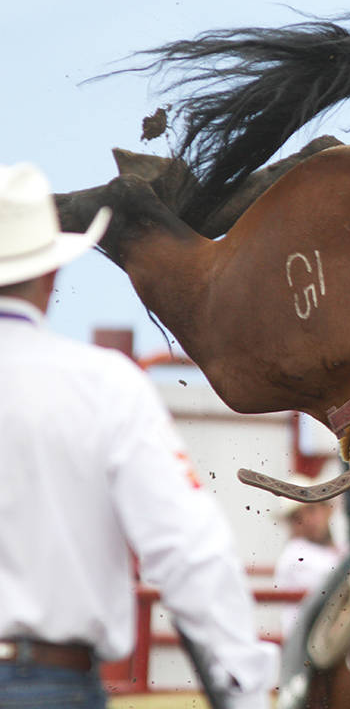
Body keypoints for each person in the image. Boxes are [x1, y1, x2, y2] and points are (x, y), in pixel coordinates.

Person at [0, 163, 278, 708]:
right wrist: (240, 687)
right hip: (47, 682)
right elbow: (186, 547)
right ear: (52, 273)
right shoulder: (103, 386)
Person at [273, 482, 345, 638]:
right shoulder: (295, 554)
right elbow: (339, 578)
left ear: (328, 509)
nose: (307, 520)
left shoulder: (341, 549)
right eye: (297, 517)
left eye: (311, 510)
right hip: (309, 641)